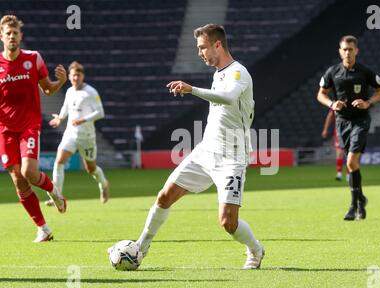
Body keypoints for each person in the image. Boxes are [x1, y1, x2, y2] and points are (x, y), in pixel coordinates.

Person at [127, 24, 264, 269]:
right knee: (164, 196)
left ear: (217, 45)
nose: (200, 53)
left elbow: (229, 98)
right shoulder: (218, 74)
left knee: (227, 223)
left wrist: (192, 89)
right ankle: (140, 247)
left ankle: (255, 249)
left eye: (202, 47)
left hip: (232, 158)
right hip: (205, 151)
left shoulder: (238, 72)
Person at [0, 15, 67, 242]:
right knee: (18, 179)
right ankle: (44, 229)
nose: (12, 36)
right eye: (8, 33)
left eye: (15, 33)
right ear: (1, 36)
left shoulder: (33, 58)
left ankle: (54, 191)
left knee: (29, 172)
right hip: (5, 129)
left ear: (21, 36)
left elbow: (47, 90)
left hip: (29, 125)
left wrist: (61, 81)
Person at [317, 35, 380, 221]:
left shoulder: (364, 72)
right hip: (342, 122)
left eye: (350, 49)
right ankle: (361, 200)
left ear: (356, 51)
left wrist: (368, 102)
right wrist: (332, 104)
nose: (347, 52)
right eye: (344, 49)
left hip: (360, 121)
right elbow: (321, 94)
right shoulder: (333, 72)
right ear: (340, 52)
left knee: (350, 162)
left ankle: (352, 207)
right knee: (352, 164)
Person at [46, 61, 109, 205]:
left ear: (83, 76)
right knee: (59, 161)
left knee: (90, 169)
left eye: (78, 75)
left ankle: (104, 184)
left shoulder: (90, 92)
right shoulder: (69, 91)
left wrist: (83, 120)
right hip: (70, 134)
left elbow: (100, 113)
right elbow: (66, 107)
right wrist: (60, 118)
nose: (76, 78)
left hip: (86, 137)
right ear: (69, 76)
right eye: (73, 75)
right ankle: (57, 195)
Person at [322, 109, 347, 181]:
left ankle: (349, 174)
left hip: (351, 129)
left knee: (350, 153)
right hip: (339, 131)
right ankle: (339, 174)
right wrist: (325, 129)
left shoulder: (351, 100)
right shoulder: (336, 102)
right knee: (339, 153)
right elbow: (330, 116)